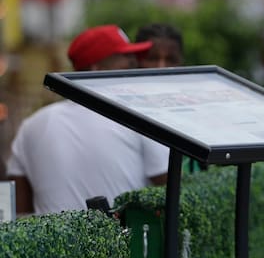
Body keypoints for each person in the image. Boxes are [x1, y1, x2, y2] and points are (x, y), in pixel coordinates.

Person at [7, 25, 169, 215]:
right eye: (126, 60)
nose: (134, 67)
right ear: (96, 68)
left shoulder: (32, 124)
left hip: (51, 243)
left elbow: (19, 213)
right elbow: (171, 192)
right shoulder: (139, 117)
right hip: (124, 243)